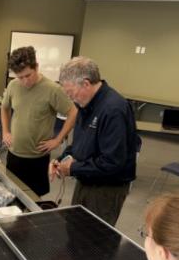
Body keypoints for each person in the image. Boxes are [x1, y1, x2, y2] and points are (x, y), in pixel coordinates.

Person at [50, 56, 139, 226]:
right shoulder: (85, 104)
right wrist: (62, 159)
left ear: (86, 83)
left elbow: (112, 162)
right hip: (87, 178)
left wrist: (73, 168)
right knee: (75, 227)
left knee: (95, 239)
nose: (71, 99)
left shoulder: (113, 109)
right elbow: (80, 144)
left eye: (71, 93)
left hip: (106, 188)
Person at [1, 46, 77, 197]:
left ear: (36, 66)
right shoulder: (13, 85)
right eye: (20, 77)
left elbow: (73, 112)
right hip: (14, 154)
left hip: (37, 158)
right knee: (10, 197)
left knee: (33, 200)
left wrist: (58, 140)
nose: (24, 81)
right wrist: (5, 131)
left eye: (28, 75)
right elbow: (4, 108)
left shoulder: (52, 89)